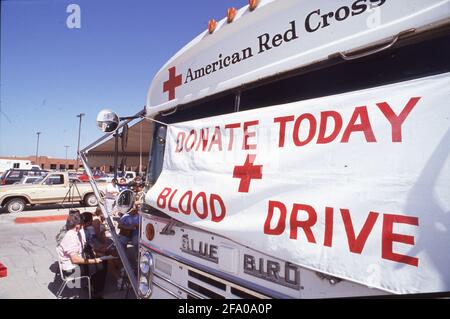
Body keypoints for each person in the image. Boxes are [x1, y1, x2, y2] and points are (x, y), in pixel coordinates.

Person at [57, 212, 107, 299]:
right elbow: (75, 260)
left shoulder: (73, 233)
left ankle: (92, 287)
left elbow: (83, 248)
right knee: (101, 266)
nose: (83, 226)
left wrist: (95, 253)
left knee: (100, 263)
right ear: (77, 225)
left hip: (73, 263)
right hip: (71, 268)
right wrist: (94, 260)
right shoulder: (70, 237)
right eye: (81, 224)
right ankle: (95, 292)